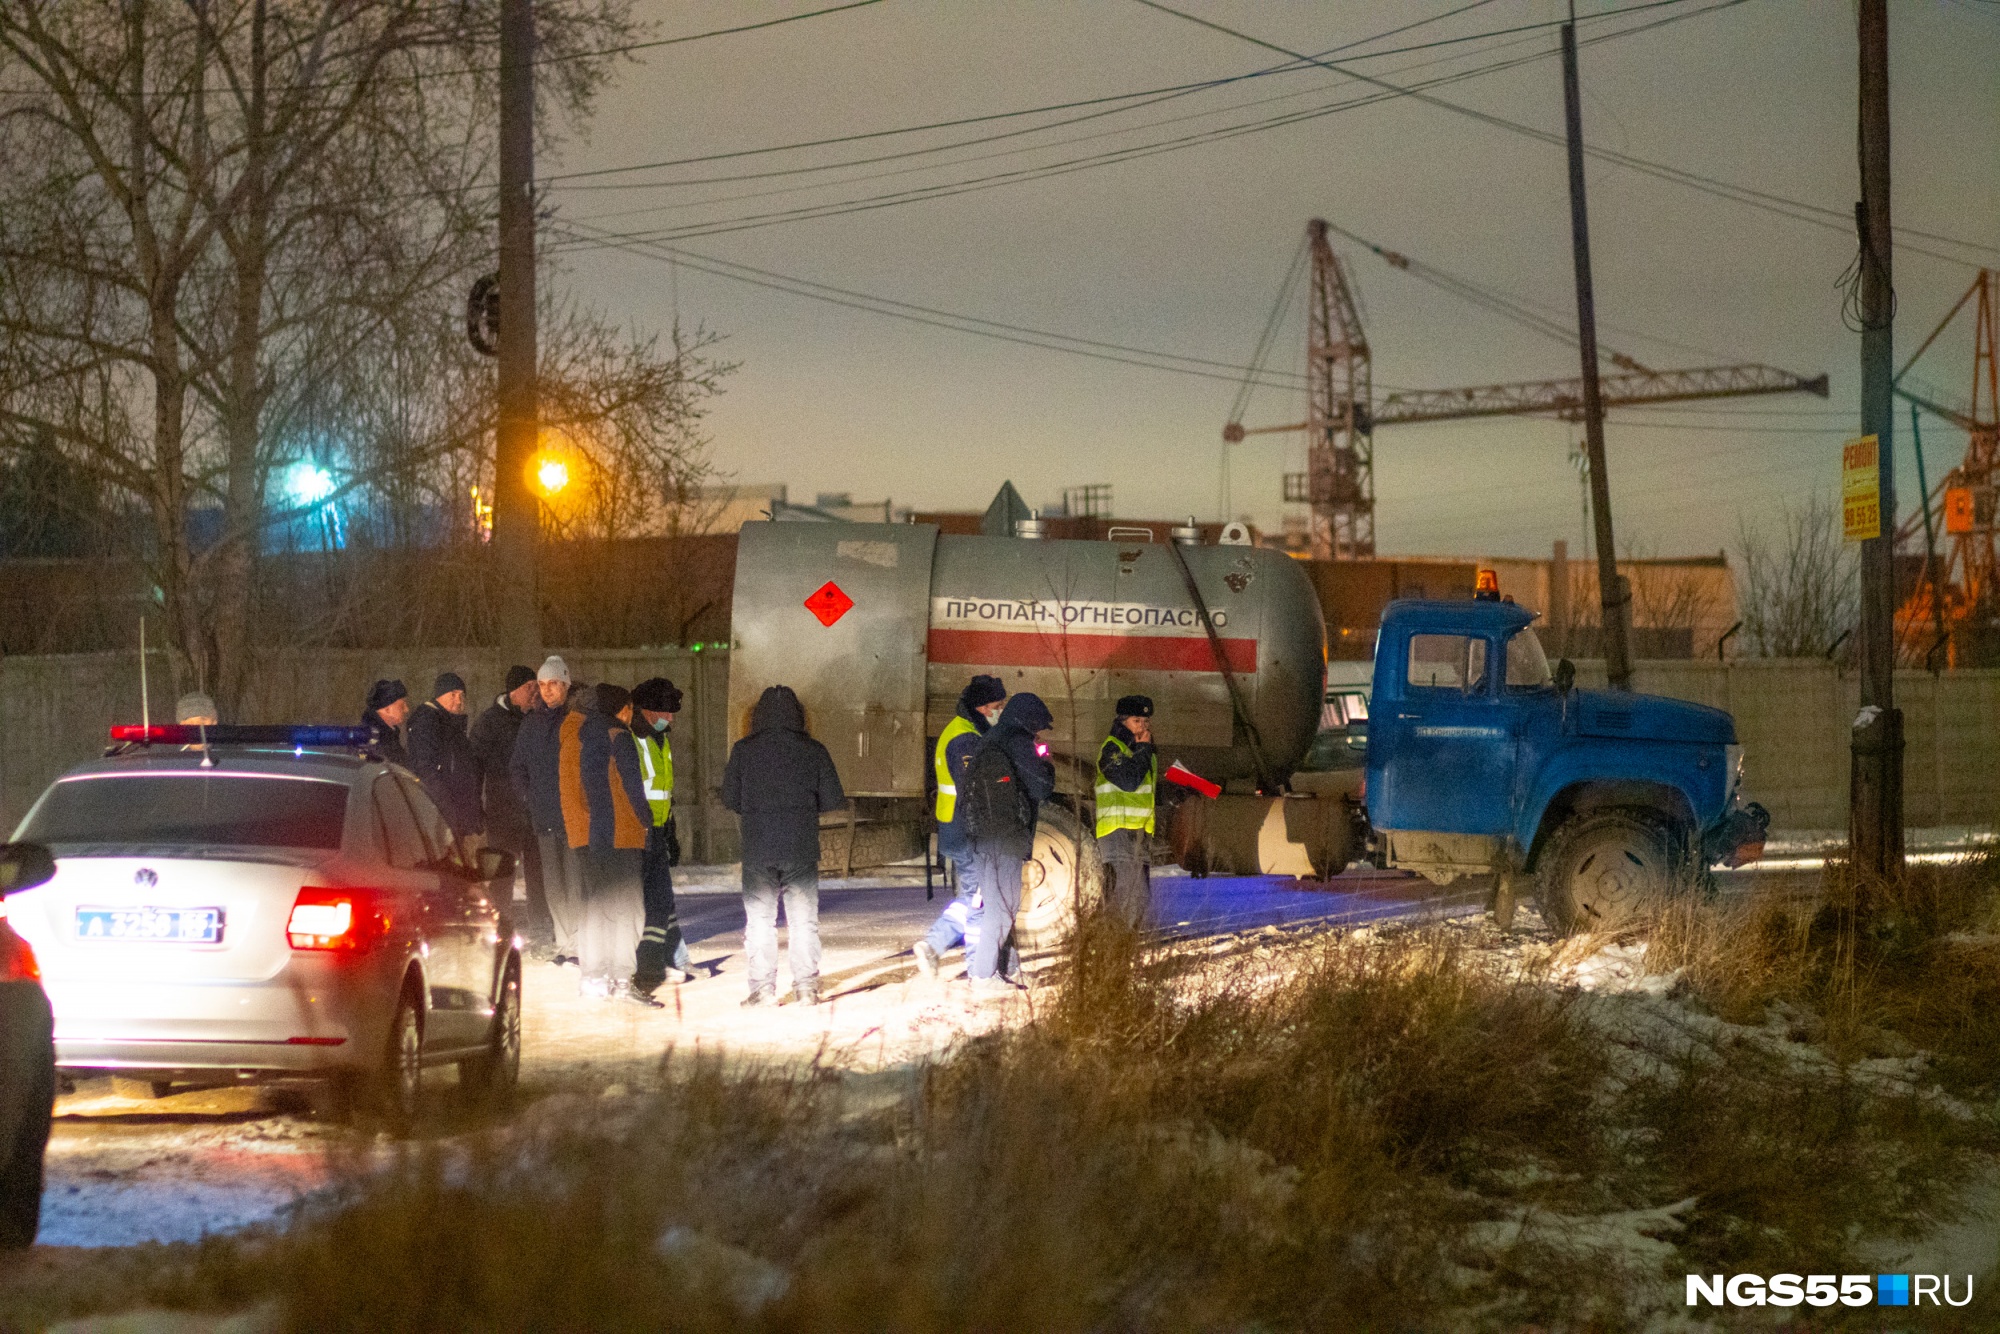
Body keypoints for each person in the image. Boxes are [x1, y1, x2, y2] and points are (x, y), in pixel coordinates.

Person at [721, 685, 846, 1008]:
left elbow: (730, 799)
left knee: (760, 920)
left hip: (758, 847)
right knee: (803, 920)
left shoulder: (743, 750)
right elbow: (832, 799)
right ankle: (806, 988)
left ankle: (762, 989)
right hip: (800, 845)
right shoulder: (813, 750)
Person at [913, 675, 1007, 979]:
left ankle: (933, 945)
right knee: (980, 900)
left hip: (956, 827)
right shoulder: (965, 738)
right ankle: (979, 971)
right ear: (981, 707)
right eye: (997, 706)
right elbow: (974, 788)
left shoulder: (964, 730)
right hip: (966, 829)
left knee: (971, 896)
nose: (1000, 711)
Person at [962, 692, 1055, 998]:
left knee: (1000, 905)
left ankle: (1008, 967)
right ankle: (984, 976)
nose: (1038, 734)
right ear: (1029, 721)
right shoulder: (1018, 741)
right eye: (1038, 728)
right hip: (1005, 834)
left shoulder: (989, 739)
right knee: (1003, 908)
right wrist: (1044, 757)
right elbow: (1041, 787)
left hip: (982, 834)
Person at [576, 683, 656, 1006]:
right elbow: (633, 788)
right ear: (621, 709)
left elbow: (583, 791)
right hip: (623, 835)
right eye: (629, 707)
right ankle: (623, 979)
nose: (631, 713)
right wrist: (648, 820)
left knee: (596, 907)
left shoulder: (586, 736)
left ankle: (594, 977)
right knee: (629, 910)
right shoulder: (618, 737)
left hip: (598, 834)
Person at [509, 657, 585, 964]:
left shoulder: (577, 721)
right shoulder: (531, 724)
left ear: (565, 684)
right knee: (553, 883)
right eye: (542, 685)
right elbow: (517, 766)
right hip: (543, 815)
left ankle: (581, 940)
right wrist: (528, 797)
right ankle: (566, 939)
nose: (547, 690)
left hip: (574, 814)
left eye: (553, 683)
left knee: (575, 879)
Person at [630, 677, 694, 996]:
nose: (670, 719)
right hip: (639, 833)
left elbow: (665, 790)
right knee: (650, 904)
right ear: (647, 710)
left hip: (657, 829)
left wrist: (670, 830)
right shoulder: (633, 739)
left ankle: (667, 959)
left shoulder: (660, 738)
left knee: (661, 900)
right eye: (665, 713)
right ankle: (648, 968)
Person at [472, 666, 545, 937]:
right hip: (503, 813)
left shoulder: (538, 719)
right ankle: (500, 930)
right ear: (513, 690)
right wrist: (476, 808)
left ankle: (542, 930)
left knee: (539, 876)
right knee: (502, 877)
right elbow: (475, 766)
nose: (535, 693)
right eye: (529, 687)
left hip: (534, 813)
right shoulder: (490, 722)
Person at [1095, 694, 1159, 928]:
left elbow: (1144, 790)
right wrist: (1143, 748)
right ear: (1121, 721)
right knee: (1130, 899)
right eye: (1136, 721)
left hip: (1137, 835)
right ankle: (1119, 951)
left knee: (1136, 899)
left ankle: (1121, 950)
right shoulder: (1113, 748)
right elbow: (1129, 781)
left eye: (1146, 722)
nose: (1143, 727)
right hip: (1118, 833)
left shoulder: (1143, 751)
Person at [406, 672, 483, 842]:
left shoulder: (452, 726)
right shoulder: (428, 723)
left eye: (462, 695)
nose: (459, 700)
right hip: (442, 821)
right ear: (440, 696)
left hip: (456, 820)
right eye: (453, 694)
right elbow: (427, 772)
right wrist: (449, 815)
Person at [362, 679, 411, 767]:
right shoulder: (371, 736)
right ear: (387, 710)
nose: (406, 709)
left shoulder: (390, 734)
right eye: (402, 705)